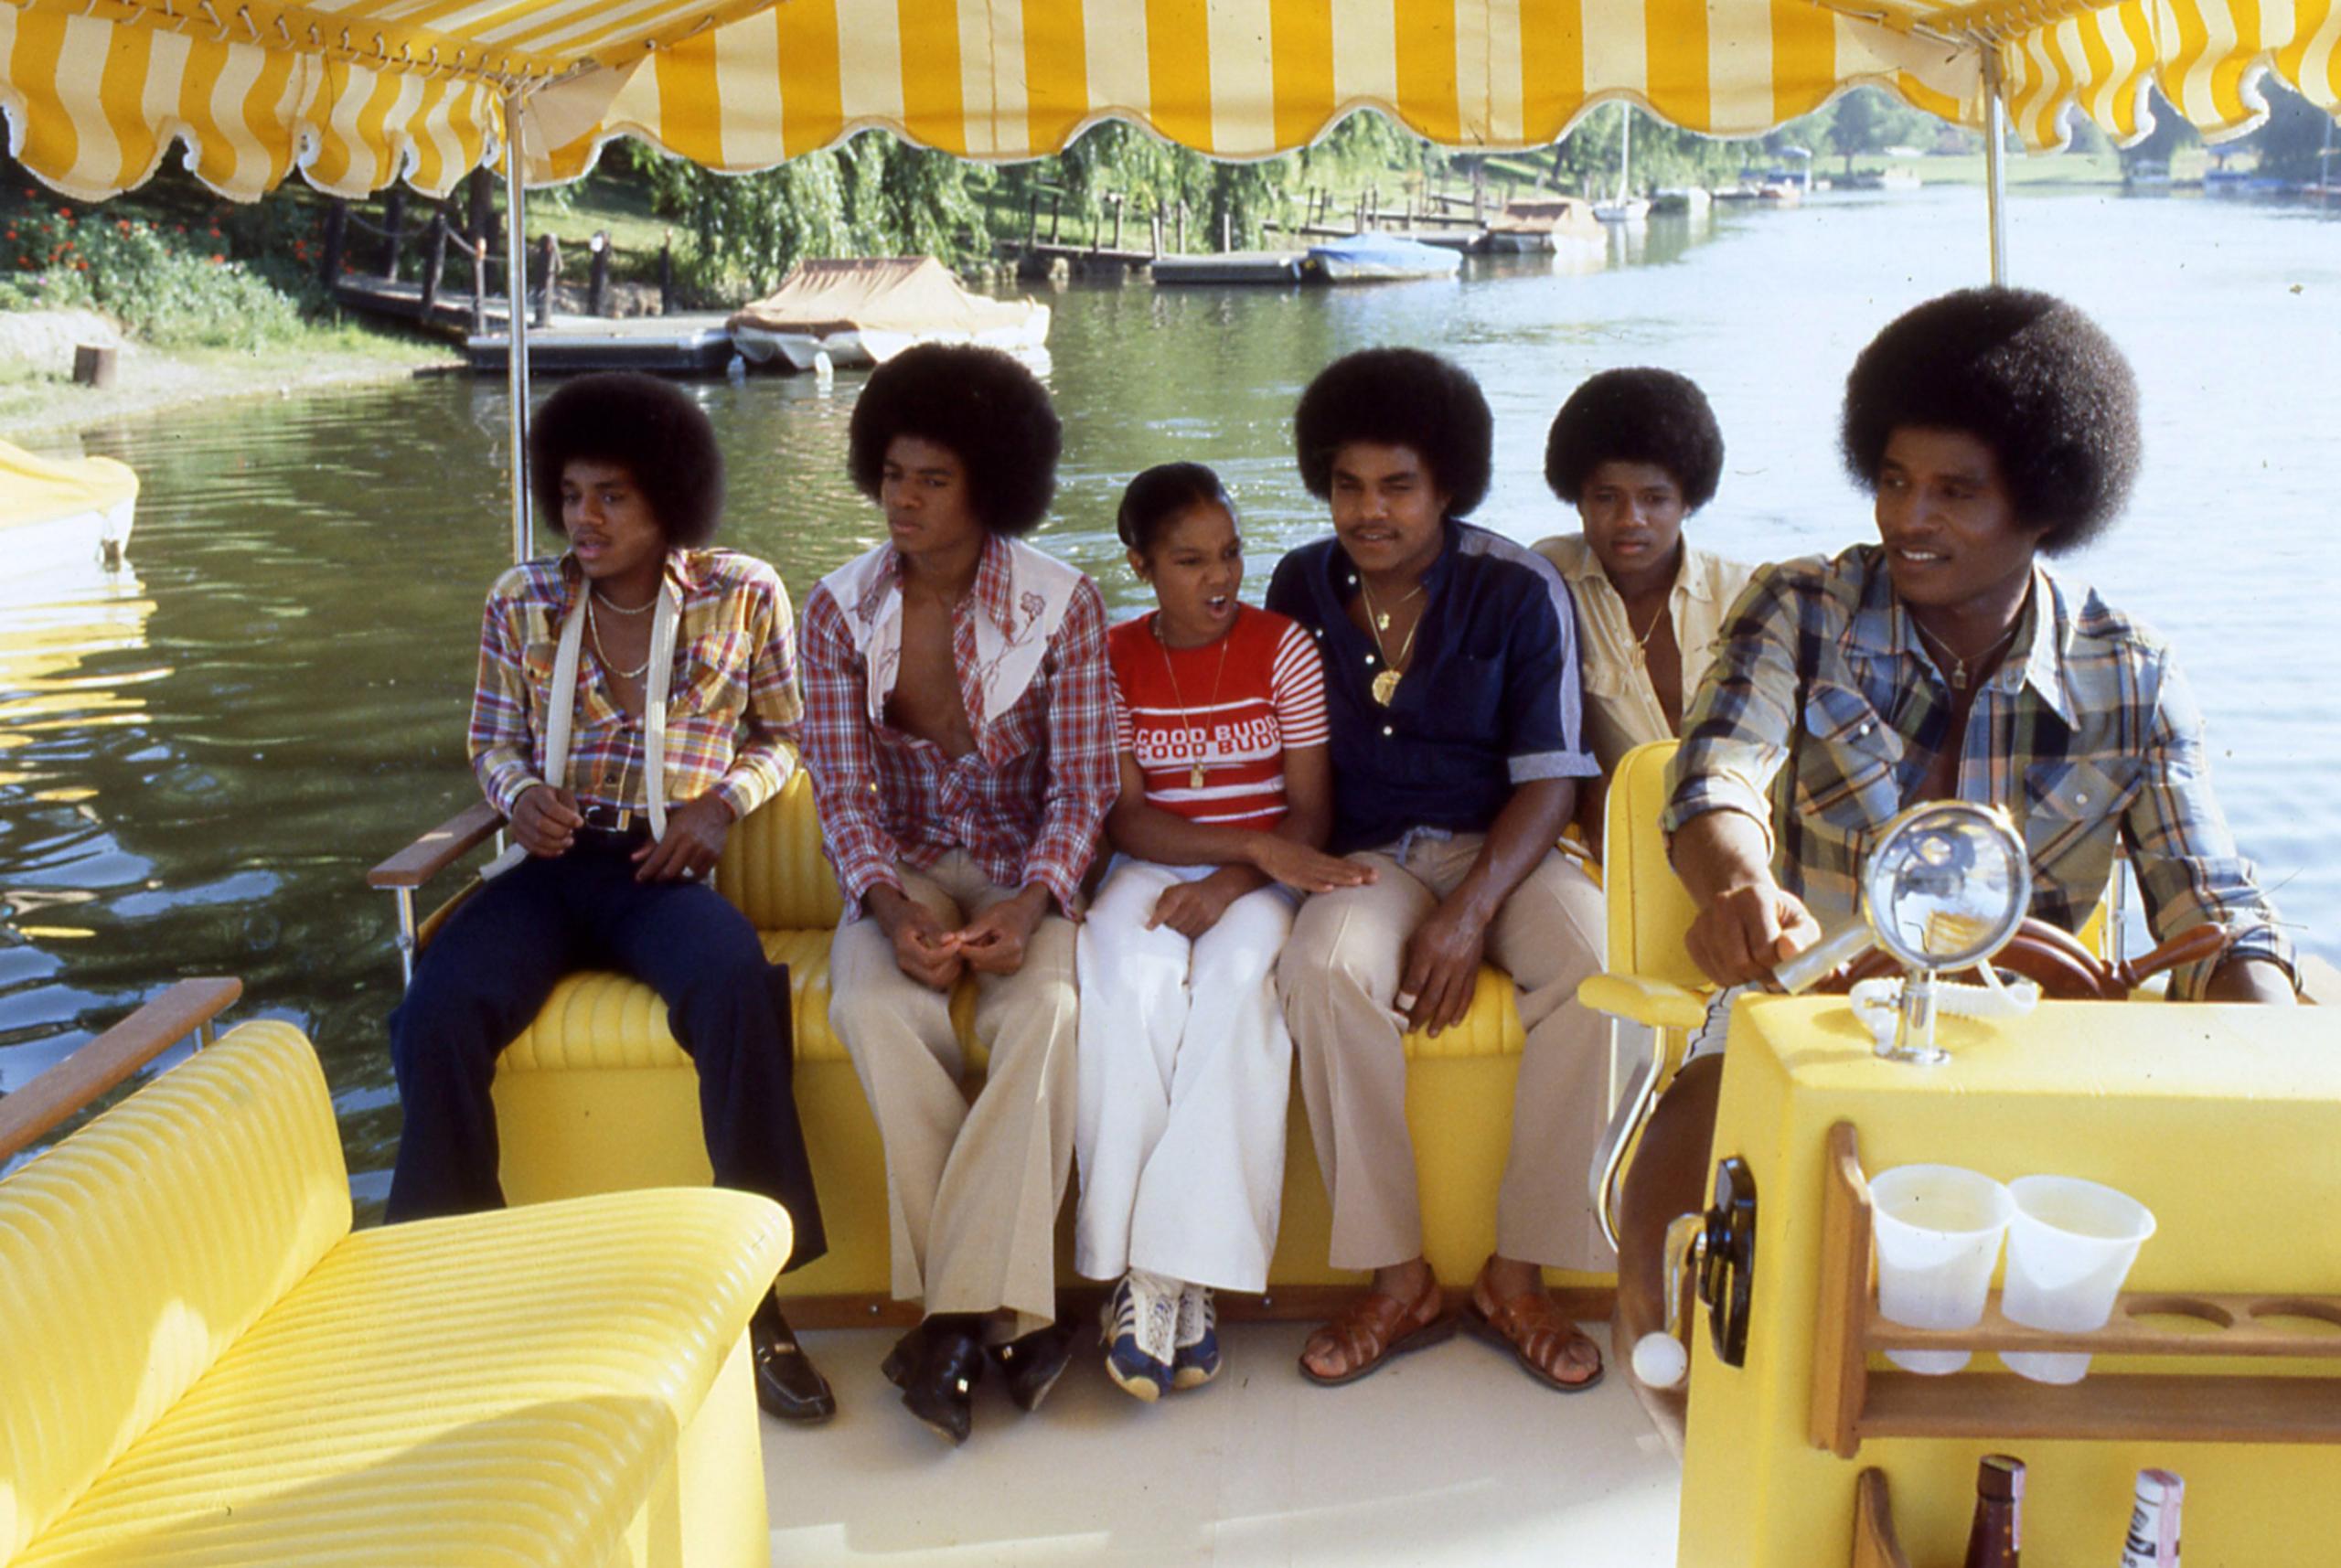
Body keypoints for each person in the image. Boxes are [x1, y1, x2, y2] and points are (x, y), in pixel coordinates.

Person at [1622, 286, 2298, 1442]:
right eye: (1892, 478)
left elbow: (2212, 899)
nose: (1907, 517)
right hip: (1805, 1003)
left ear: (2047, 502)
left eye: (1954, 490)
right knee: (1695, 1116)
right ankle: (1677, 1386)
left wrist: (2265, 1032)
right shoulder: (1799, 606)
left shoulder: (2130, 674)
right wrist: (1736, 880)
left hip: (2034, 1042)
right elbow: (1716, 771)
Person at [385, 371, 832, 1424]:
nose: (583, 518)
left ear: (670, 498)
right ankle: (453, 1284)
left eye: (613, 496)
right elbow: (489, 738)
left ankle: (761, 1296)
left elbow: (786, 734)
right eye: (572, 493)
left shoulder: (744, 591)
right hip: (550, 864)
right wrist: (519, 792)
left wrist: (719, 808)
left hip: (661, 869)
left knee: (733, 985)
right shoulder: (521, 599)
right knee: (437, 1007)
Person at [1266, 347, 1612, 1393]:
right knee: (1324, 971)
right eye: (1347, 485)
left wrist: (1468, 915)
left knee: (1598, 968)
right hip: (1368, 854)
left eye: (1397, 485)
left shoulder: (1517, 585)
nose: (1368, 511)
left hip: (1506, 847)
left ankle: (1521, 1272)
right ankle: (1399, 1275)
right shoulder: (1299, 583)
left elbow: (1551, 778)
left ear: (1448, 483)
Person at [797, 343, 1117, 1445]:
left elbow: (1084, 788)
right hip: (907, 867)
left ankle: (947, 1329)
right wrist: (889, 908)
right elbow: (840, 795)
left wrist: (1034, 903)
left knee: (1051, 1016)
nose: (904, 498)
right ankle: (1009, 1324)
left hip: (1031, 865)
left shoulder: (1062, 603)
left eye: (932, 478)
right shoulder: (837, 611)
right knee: (874, 1006)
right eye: (891, 473)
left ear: (990, 481)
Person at [1074, 463, 1371, 1401]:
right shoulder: (1115, 657)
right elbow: (1127, 819)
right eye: (1189, 559)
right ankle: (1137, 1267)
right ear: (1139, 564)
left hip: (1269, 873)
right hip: (1158, 863)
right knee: (1125, 986)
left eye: (1231, 552)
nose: (1220, 578)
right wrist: (1231, 851)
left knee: (1241, 988)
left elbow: (1311, 811)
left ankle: (1170, 1276)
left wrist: (1245, 874)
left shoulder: (1282, 648)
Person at [1531, 368, 1755, 845]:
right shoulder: (1548, 579)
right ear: (1578, 499)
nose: (1630, 519)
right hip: (1611, 838)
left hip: (1735, 832)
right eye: (1607, 497)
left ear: (1688, 500)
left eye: (1654, 499)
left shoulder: (1743, 594)